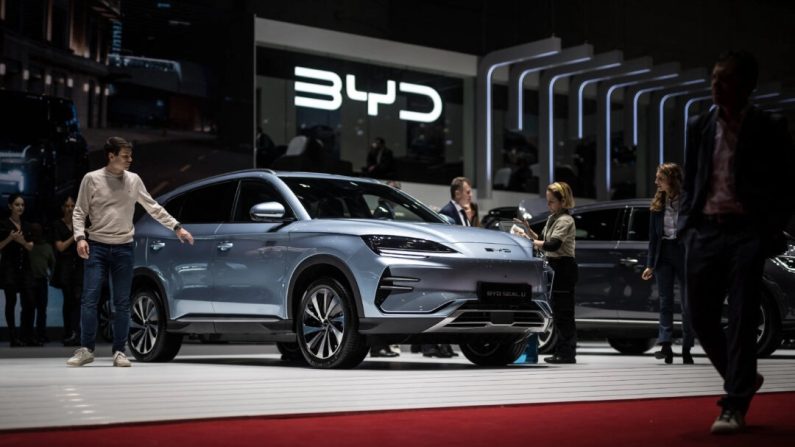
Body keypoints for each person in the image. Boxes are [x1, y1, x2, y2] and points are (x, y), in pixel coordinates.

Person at [679, 51, 795, 434]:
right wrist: (687, 226)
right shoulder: (698, 125)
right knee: (699, 314)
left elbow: (785, 182)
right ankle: (741, 377)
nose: (715, 85)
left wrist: (769, 227)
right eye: (713, 78)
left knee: (744, 312)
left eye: (725, 79)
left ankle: (734, 403)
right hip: (706, 229)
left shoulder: (768, 126)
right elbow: (693, 179)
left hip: (747, 230)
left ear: (747, 85)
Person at [66, 137, 195, 368]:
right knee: (90, 299)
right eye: (125, 156)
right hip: (96, 246)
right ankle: (86, 349)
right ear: (111, 156)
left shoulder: (133, 180)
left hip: (124, 247)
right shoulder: (92, 179)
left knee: (123, 302)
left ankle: (119, 351)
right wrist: (80, 238)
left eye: (130, 155)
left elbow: (152, 206)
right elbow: (79, 212)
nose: (130, 160)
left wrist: (177, 227)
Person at [641, 163, 695, 365]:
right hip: (663, 254)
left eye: (660, 179)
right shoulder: (657, 204)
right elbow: (653, 238)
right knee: (665, 302)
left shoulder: (688, 202)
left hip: (684, 254)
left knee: (687, 304)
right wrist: (649, 264)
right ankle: (665, 345)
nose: (656, 182)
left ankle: (687, 347)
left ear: (672, 179)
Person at [527, 182, 578, 364]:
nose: (548, 205)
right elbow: (543, 240)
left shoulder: (565, 220)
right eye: (548, 201)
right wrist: (529, 233)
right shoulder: (553, 218)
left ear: (563, 201)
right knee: (558, 312)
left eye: (552, 202)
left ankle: (567, 353)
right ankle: (562, 351)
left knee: (564, 313)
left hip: (563, 268)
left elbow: (553, 244)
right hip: (555, 267)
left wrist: (533, 242)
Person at [0, 193, 37, 347]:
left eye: (22, 205)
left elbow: (30, 246)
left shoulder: (28, 225)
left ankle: (26, 335)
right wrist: (10, 238)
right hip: (9, 268)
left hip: (25, 268)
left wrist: (21, 240)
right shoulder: (3, 224)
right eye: (17, 204)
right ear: (10, 206)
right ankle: (13, 337)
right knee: (11, 302)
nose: (20, 207)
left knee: (30, 301)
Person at [51, 196, 83, 346]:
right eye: (67, 205)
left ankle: (76, 332)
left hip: (78, 266)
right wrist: (75, 236)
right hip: (64, 267)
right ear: (62, 208)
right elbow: (60, 247)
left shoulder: (79, 223)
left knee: (77, 300)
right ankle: (68, 332)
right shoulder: (57, 224)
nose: (70, 208)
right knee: (69, 301)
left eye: (72, 205)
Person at [29, 223, 55, 344]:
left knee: (41, 309)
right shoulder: (28, 245)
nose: (36, 233)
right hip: (29, 281)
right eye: (34, 231)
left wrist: (51, 275)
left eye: (38, 231)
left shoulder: (47, 247)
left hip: (42, 280)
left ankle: (41, 334)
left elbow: (53, 263)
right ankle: (29, 335)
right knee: (29, 309)